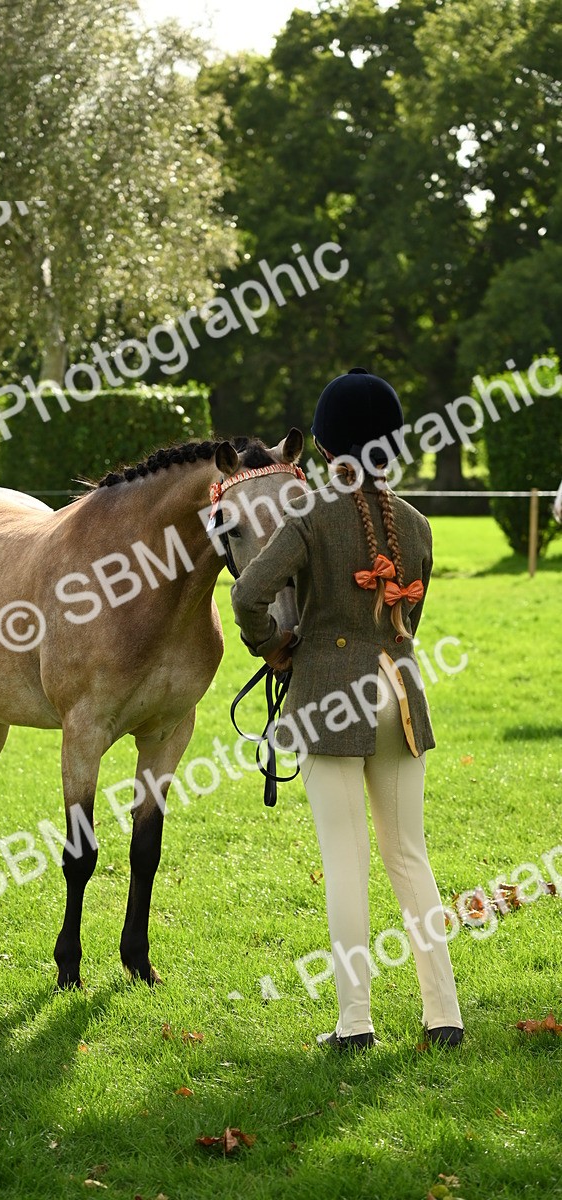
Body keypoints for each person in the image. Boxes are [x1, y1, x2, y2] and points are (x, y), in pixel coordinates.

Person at [230, 367, 464, 1051]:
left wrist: (273, 646)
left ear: (326, 448)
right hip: (401, 693)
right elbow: (407, 619)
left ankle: (355, 1023)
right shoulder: (417, 524)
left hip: (330, 699)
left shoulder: (310, 516)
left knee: (345, 862)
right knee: (409, 856)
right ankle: (444, 1016)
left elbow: (247, 594)